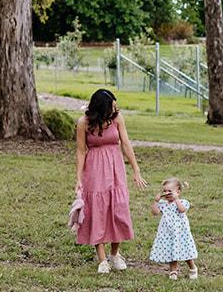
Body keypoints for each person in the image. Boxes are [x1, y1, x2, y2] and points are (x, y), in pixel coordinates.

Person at [75, 88, 146, 273]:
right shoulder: (84, 122)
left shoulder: (117, 118)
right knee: (97, 211)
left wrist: (136, 170)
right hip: (95, 171)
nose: (115, 108)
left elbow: (126, 144)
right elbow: (81, 151)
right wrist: (79, 178)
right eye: (111, 106)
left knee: (119, 208)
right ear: (101, 108)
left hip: (116, 169)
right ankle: (102, 259)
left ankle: (115, 254)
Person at [149, 177, 198, 280]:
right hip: (167, 233)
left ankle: (192, 268)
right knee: (171, 251)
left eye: (169, 191)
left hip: (181, 233)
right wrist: (156, 201)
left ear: (178, 191)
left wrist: (176, 199)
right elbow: (155, 212)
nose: (166, 193)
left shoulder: (183, 202)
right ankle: (173, 271)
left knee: (186, 252)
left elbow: (182, 210)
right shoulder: (163, 203)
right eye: (164, 191)